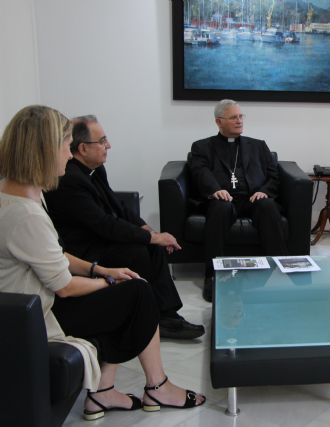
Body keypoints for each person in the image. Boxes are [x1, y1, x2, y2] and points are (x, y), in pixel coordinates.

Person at [0, 105, 205, 421]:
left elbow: (53, 254)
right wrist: (109, 281)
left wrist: (100, 271)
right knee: (137, 292)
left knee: (132, 286)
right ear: (43, 150)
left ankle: (110, 391)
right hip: (35, 314)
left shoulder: (21, 191)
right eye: (65, 147)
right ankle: (155, 386)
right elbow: (65, 287)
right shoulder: (25, 213)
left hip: (36, 298)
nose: (69, 156)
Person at [43, 115, 204, 340]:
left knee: (152, 247)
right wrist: (150, 239)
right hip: (83, 248)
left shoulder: (95, 169)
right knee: (138, 250)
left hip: (100, 238)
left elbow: (117, 207)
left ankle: (166, 315)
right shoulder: (69, 180)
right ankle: (151, 314)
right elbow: (103, 224)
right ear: (82, 148)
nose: (108, 145)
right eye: (102, 141)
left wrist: (150, 231)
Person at [189, 99, 288, 301]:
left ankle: (280, 269)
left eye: (241, 116)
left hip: (253, 198)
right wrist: (215, 189)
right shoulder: (202, 147)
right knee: (220, 209)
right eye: (234, 117)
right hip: (224, 200)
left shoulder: (259, 146)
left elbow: (274, 175)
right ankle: (213, 275)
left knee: (268, 205)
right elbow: (200, 172)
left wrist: (265, 191)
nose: (239, 121)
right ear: (219, 121)